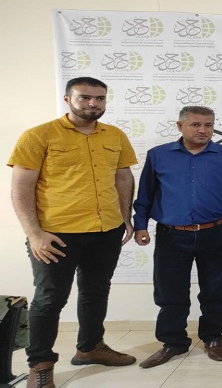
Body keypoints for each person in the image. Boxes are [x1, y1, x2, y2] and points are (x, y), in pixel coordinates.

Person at [8, 77, 137, 387]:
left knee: (96, 290)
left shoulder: (115, 135)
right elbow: (21, 186)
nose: (93, 103)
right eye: (85, 97)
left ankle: (90, 347)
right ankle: (40, 364)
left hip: (106, 230)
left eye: (100, 98)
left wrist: (125, 218)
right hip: (55, 234)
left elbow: (123, 178)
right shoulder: (39, 135)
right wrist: (34, 234)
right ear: (68, 99)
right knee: (49, 299)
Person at [133, 106, 222, 368]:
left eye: (208, 125)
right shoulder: (158, 155)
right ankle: (173, 342)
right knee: (170, 292)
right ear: (180, 126)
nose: (202, 130)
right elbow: (145, 195)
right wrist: (140, 225)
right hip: (172, 235)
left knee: (215, 290)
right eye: (196, 125)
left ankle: (213, 338)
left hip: (217, 233)